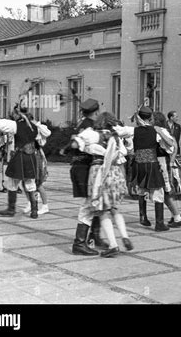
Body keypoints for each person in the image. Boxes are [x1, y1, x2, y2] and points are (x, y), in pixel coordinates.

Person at [72, 112, 133, 257]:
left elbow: (77, 144)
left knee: (101, 210)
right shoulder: (116, 137)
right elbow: (123, 152)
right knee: (114, 208)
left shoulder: (94, 134)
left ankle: (111, 245)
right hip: (115, 173)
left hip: (99, 171)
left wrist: (79, 143)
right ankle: (124, 236)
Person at [67, 99, 108, 256]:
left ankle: (95, 237)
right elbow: (75, 145)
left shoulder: (80, 125)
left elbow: (70, 146)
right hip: (86, 169)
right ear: (96, 112)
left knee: (96, 202)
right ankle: (79, 243)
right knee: (89, 204)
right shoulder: (91, 127)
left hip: (79, 167)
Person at [132, 106, 170, 232]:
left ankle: (143, 217)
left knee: (141, 189)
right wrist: (159, 132)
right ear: (151, 117)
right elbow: (169, 144)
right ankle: (159, 223)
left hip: (139, 164)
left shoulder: (134, 131)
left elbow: (128, 148)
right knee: (158, 191)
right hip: (152, 164)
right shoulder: (156, 131)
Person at [152, 112, 181, 227]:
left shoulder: (161, 130)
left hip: (162, 163)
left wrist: (159, 132)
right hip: (161, 162)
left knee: (165, 192)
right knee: (166, 192)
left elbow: (172, 145)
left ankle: (177, 217)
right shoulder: (160, 130)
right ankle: (175, 216)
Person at [22, 116, 51, 215]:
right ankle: (30, 203)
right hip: (25, 155)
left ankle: (45, 205)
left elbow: (47, 133)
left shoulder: (38, 128)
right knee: (25, 182)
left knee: (38, 183)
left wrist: (37, 124)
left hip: (36, 156)